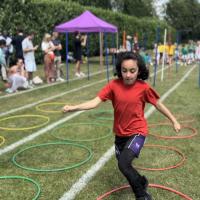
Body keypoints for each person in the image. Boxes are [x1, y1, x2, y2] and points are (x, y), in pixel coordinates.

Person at [63, 52, 181, 200]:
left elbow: (158, 104)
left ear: (139, 71)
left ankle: (142, 196)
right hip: (120, 134)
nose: (128, 75)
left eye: (132, 71)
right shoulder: (113, 85)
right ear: (120, 70)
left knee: (124, 164)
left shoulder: (143, 88)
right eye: (124, 70)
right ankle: (141, 181)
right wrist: (74, 107)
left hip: (138, 132)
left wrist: (174, 120)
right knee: (124, 165)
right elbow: (94, 102)